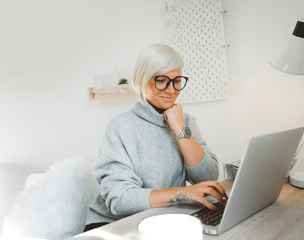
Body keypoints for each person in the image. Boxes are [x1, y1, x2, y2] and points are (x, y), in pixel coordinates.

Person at [84, 43, 227, 232]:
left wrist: (179, 130)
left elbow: (207, 178)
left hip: (161, 216)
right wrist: (183, 193)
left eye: (177, 80)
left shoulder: (184, 121)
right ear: (141, 80)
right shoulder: (120, 126)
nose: (171, 89)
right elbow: (119, 200)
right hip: (112, 225)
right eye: (161, 80)